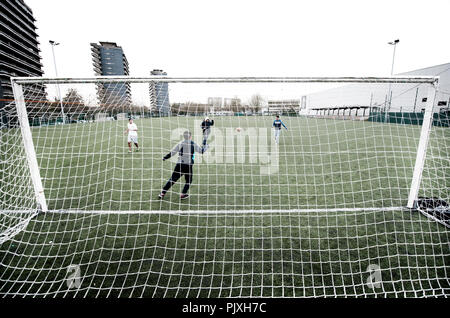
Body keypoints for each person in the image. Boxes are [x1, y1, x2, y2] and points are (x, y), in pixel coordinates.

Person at [159, 131, 208, 200]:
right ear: (190, 137)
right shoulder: (193, 144)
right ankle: (183, 194)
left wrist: (165, 157)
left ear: (184, 137)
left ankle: (162, 193)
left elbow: (172, 152)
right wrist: (206, 146)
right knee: (189, 180)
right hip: (188, 165)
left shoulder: (181, 143)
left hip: (179, 164)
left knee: (172, 179)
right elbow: (202, 151)